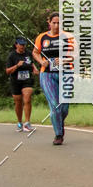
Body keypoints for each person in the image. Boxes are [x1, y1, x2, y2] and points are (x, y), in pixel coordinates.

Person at [33, 12, 71, 146]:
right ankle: (58, 134)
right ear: (49, 23)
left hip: (65, 74)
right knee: (55, 104)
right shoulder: (42, 37)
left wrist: (64, 60)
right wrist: (41, 61)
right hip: (47, 74)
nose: (56, 25)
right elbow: (35, 52)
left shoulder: (68, 37)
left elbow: (76, 54)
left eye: (59, 23)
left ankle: (58, 121)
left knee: (64, 108)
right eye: (54, 23)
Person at [5, 36, 39, 132]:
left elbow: (31, 63)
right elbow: (7, 71)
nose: (22, 46)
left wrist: (35, 69)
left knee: (27, 99)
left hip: (27, 80)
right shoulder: (12, 56)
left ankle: (27, 123)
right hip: (15, 81)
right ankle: (19, 122)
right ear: (16, 45)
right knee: (18, 102)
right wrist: (17, 66)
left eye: (24, 45)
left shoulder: (28, 53)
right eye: (21, 45)